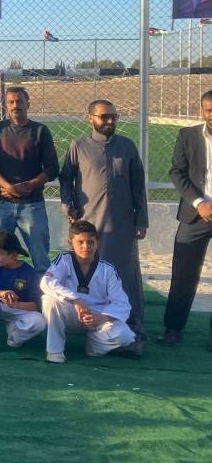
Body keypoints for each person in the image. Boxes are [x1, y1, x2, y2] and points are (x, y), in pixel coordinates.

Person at [59, 99, 148, 341]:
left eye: (113, 117)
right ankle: (89, 324)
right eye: (104, 116)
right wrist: (68, 204)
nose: (109, 121)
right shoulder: (78, 146)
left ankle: (133, 328)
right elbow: (65, 178)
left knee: (125, 275)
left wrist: (141, 219)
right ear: (90, 118)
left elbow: (138, 185)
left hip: (122, 224)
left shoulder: (127, 146)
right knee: (89, 275)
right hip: (89, 224)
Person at [0, 86, 59, 272]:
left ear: (28, 104)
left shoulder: (40, 131)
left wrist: (29, 185)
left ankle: (42, 290)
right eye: (11, 102)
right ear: (6, 105)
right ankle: (0, 290)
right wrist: (8, 187)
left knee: (40, 259)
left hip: (32, 205)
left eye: (19, 101)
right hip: (1, 204)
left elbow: (52, 168)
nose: (15, 105)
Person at [40, 220, 136, 363]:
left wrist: (101, 318)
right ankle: (55, 351)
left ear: (97, 243)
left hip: (97, 315)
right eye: (80, 242)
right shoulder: (63, 260)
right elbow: (46, 282)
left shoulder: (108, 269)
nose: (86, 246)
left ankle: (94, 346)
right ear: (70, 243)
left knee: (125, 336)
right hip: (71, 312)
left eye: (90, 242)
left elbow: (122, 303)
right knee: (50, 300)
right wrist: (75, 300)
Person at [162, 90, 212, 348]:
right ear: (202, 111)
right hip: (195, 215)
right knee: (183, 274)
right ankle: (173, 328)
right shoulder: (187, 135)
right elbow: (177, 172)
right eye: (208, 110)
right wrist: (199, 202)